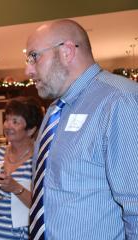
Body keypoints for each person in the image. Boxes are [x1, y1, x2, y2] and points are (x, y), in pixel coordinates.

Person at [25, 19, 138, 239]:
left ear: (67, 51)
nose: (28, 70)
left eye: (34, 57)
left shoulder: (120, 100)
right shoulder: (54, 111)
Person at [0, 97, 44, 240]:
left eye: (15, 121)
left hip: (22, 235)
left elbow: (42, 206)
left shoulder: (39, 160)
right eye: (7, 119)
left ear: (31, 130)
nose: (7, 125)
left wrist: (15, 187)